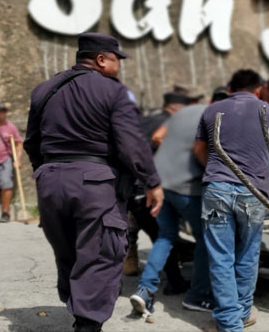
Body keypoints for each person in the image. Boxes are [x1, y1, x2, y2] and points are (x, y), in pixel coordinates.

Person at [24, 32, 164, 332]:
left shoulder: (44, 90)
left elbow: (32, 142)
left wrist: (46, 173)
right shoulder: (114, 92)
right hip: (95, 184)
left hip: (49, 181)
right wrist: (152, 182)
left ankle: (78, 309)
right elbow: (131, 145)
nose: (119, 67)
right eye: (116, 60)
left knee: (68, 252)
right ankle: (87, 325)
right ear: (101, 59)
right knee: (100, 254)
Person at [194, 69, 269, 332]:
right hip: (253, 193)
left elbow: (199, 150)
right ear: (258, 89)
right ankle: (243, 313)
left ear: (230, 87)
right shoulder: (267, 110)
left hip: (217, 192)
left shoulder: (212, 110)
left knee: (220, 256)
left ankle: (228, 321)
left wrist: (215, 175)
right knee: (247, 254)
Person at [129, 89, 226, 318]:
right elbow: (201, 150)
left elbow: (158, 136)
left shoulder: (186, 111)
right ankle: (197, 296)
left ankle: (145, 290)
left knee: (165, 236)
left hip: (160, 184)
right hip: (187, 188)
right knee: (205, 237)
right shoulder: (218, 117)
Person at [123, 92, 192, 297]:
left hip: (126, 189)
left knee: (156, 235)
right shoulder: (170, 125)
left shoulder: (143, 122)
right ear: (177, 109)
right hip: (148, 190)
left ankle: (170, 280)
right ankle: (166, 283)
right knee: (164, 236)